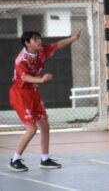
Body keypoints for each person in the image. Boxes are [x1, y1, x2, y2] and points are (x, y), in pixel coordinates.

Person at [8, 30, 81, 172]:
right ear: (27, 43)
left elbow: (58, 45)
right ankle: (15, 159)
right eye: (35, 39)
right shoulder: (21, 59)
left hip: (33, 92)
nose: (39, 41)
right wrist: (41, 79)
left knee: (45, 125)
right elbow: (25, 78)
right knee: (32, 129)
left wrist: (73, 38)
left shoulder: (42, 51)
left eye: (39, 38)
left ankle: (45, 159)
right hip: (20, 94)